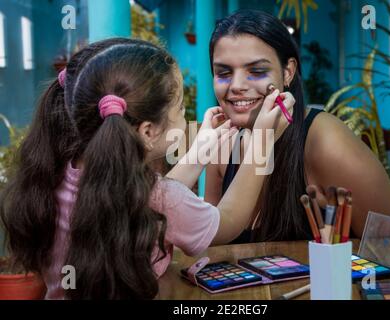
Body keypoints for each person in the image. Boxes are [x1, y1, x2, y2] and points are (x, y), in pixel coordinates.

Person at [0, 38, 293, 299]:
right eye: (179, 109)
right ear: (148, 131)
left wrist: (202, 149)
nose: (184, 116)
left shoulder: (57, 175)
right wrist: (262, 141)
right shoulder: (162, 197)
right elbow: (226, 222)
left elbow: (148, 201)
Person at [205, 9, 390, 243]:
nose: (237, 85)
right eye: (224, 73)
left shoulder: (326, 141)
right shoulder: (223, 144)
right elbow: (208, 242)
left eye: (257, 71)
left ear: (288, 72)